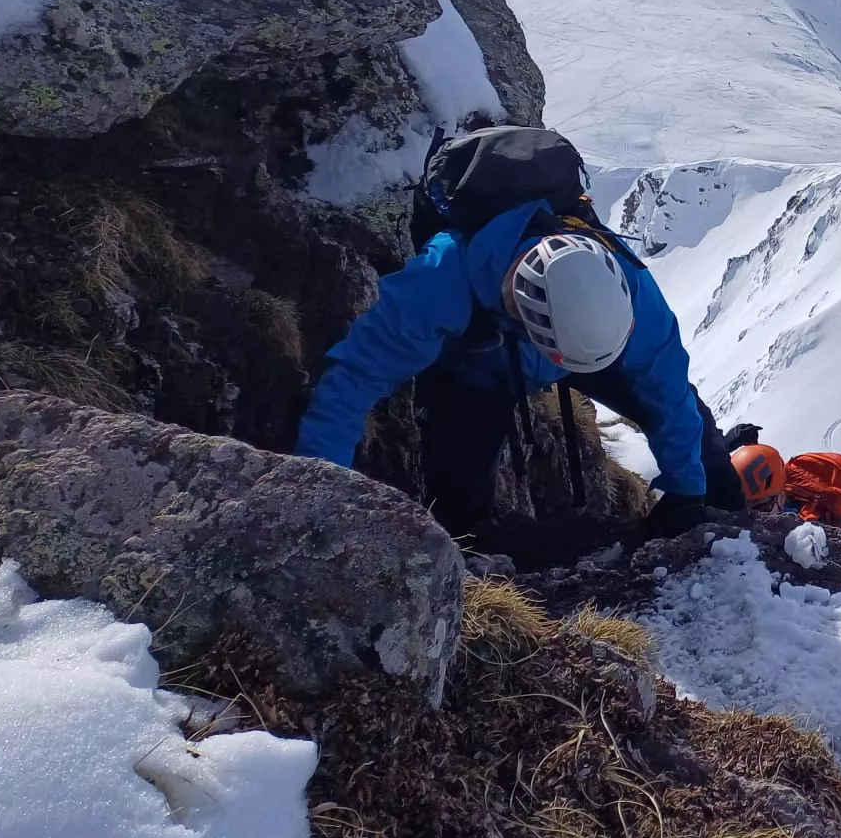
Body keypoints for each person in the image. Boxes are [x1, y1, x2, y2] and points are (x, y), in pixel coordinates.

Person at [294, 128, 736, 545]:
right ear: (529, 327)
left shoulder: (630, 291)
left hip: (554, 349)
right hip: (479, 364)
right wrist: (320, 495)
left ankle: (733, 513)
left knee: (697, 431)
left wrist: (687, 493)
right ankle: (467, 555)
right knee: (457, 488)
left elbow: (669, 394)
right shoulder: (438, 284)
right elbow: (352, 381)